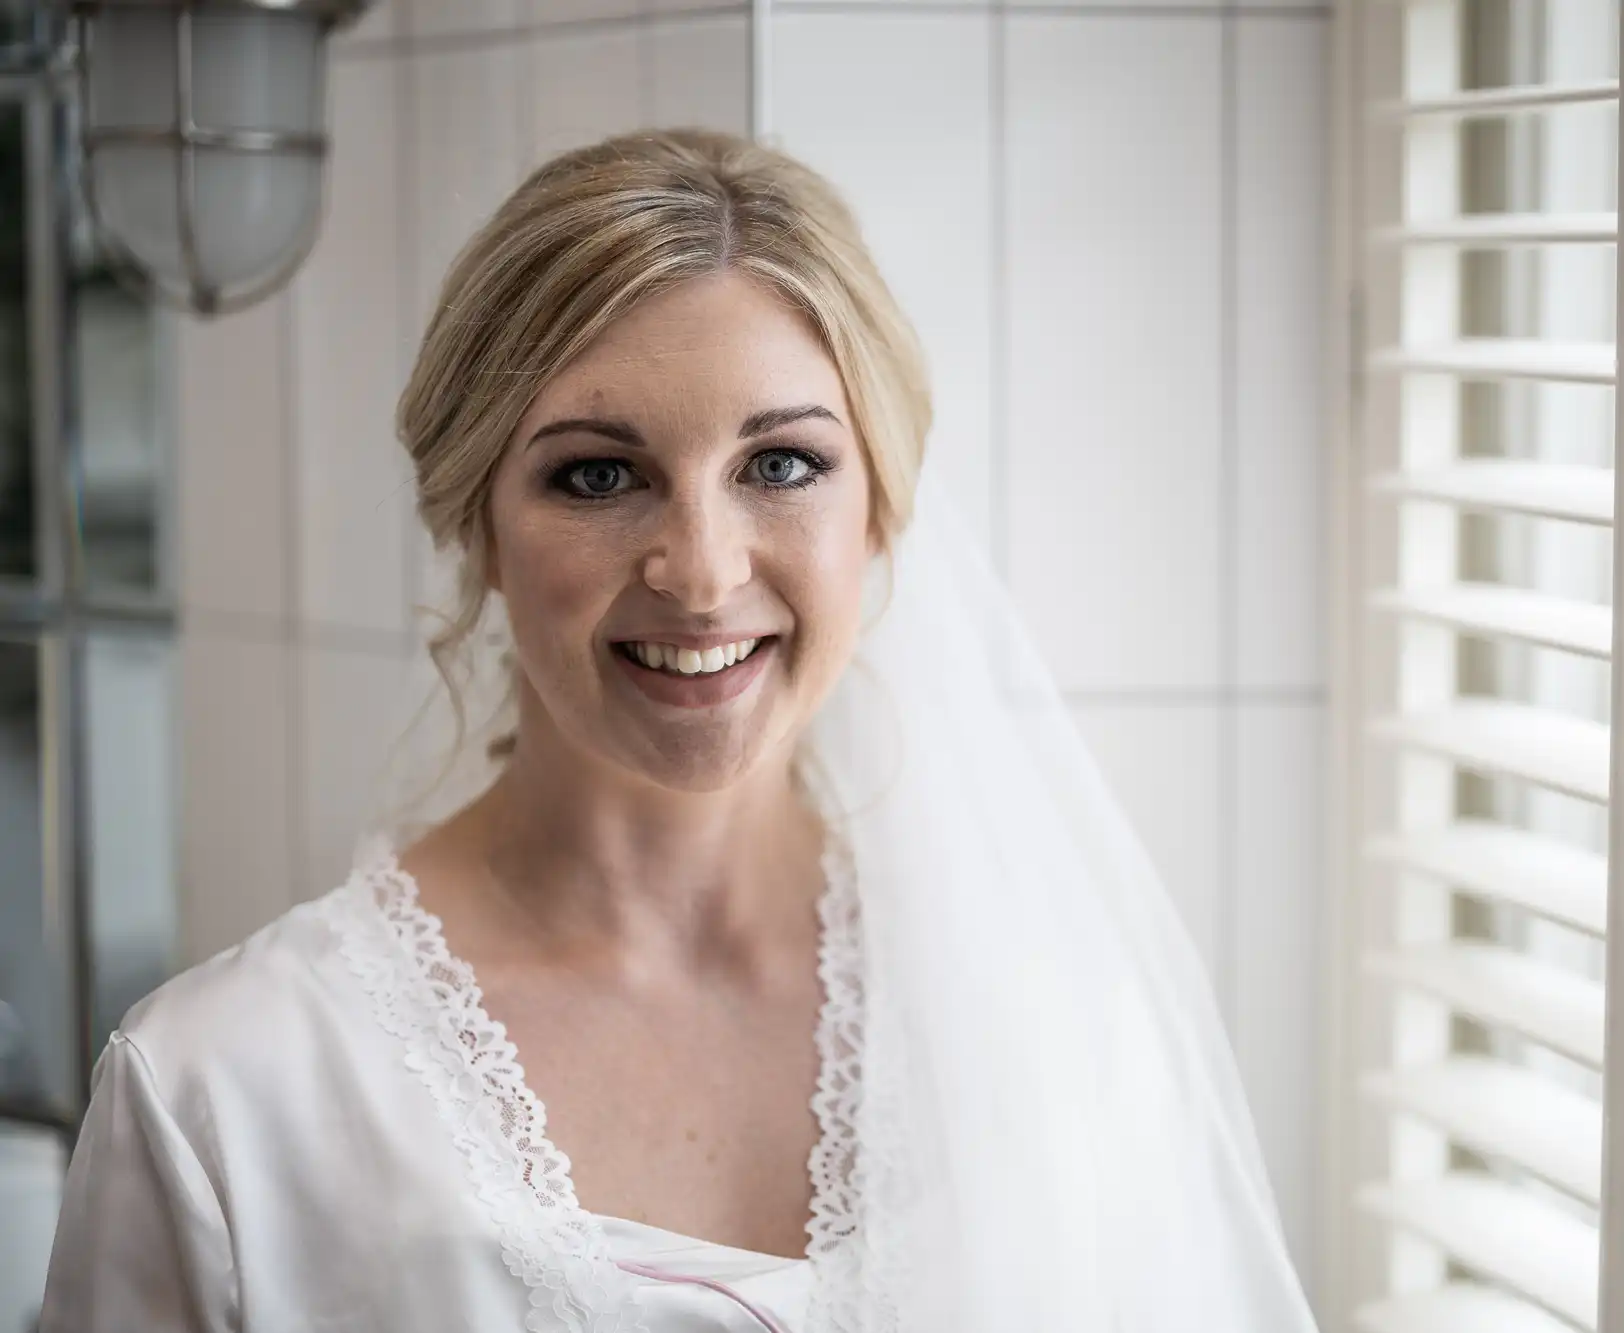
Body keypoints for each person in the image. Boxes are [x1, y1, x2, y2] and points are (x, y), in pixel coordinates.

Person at [39, 128, 1319, 1333]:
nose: (701, 574)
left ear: (877, 508)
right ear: (474, 523)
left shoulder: (1052, 1015)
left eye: (781, 466)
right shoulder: (227, 1092)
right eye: (597, 474)